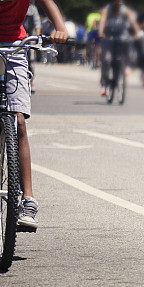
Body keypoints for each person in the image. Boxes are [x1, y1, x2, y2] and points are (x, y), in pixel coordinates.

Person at [0, 0, 69, 230]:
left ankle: (28, 200)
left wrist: (60, 28)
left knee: (19, 121)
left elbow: (47, 2)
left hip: (15, 47)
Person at [98, 0, 141, 96]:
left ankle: (127, 65)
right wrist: (101, 32)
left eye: (119, 3)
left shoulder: (125, 10)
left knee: (129, 44)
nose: (117, 4)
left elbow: (133, 22)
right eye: (116, 2)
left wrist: (138, 32)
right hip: (109, 38)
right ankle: (104, 85)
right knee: (107, 59)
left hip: (122, 38)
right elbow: (102, 21)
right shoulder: (107, 9)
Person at [24, 1, 42, 93]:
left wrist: (37, 38)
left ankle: (31, 82)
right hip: (15, 36)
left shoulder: (32, 9)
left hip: (29, 37)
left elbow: (37, 24)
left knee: (31, 60)